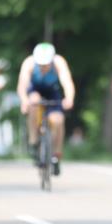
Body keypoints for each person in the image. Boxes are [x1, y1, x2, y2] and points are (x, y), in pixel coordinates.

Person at [17, 42, 76, 176]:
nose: (43, 67)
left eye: (46, 64)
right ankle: (33, 140)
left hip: (52, 91)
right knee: (33, 101)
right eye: (40, 65)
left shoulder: (59, 62)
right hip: (34, 90)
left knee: (58, 120)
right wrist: (24, 100)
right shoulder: (29, 63)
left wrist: (69, 98)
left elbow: (67, 82)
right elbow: (22, 85)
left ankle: (56, 155)